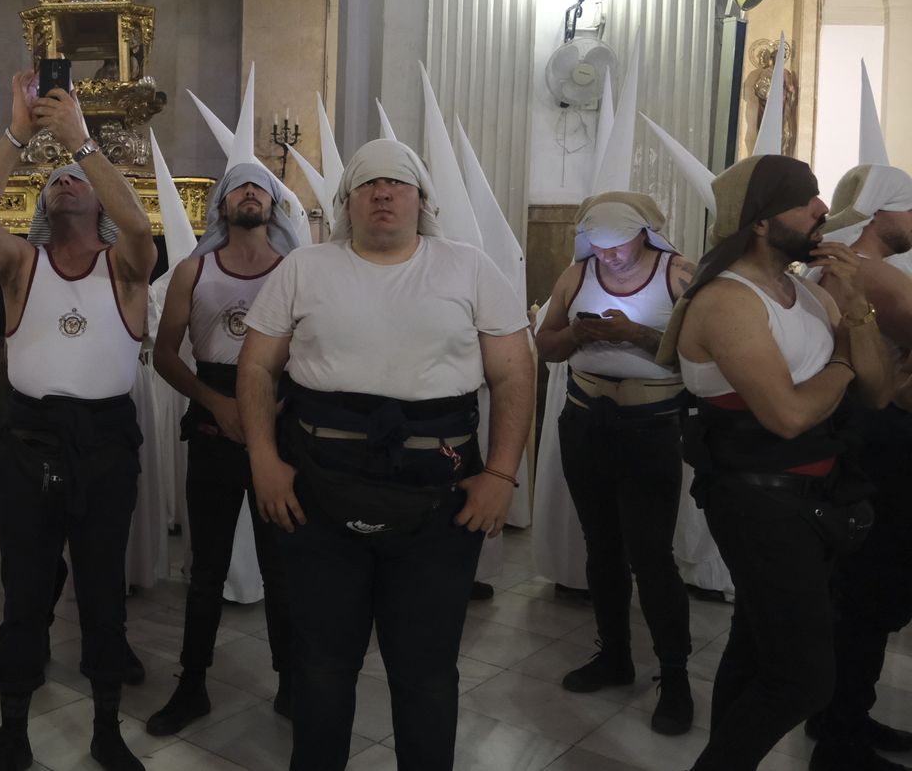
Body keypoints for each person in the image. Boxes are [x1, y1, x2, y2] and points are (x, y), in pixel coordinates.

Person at [238, 138, 533, 770]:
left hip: (438, 498)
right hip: (318, 492)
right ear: (348, 201)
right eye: (369, 184)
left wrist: (502, 474)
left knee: (426, 672)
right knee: (320, 665)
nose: (383, 194)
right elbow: (258, 367)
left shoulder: (470, 267)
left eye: (397, 184)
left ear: (421, 199)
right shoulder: (305, 268)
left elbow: (513, 375)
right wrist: (263, 457)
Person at [663, 154, 891, 771]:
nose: (823, 211)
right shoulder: (728, 302)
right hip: (759, 502)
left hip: (809, 497)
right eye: (807, 199)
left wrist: (855, 302)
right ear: (760, 222)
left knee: (756, 650)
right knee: (803, 679)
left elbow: (877, 389)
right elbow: (788, 415)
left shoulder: (805, 293)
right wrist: (842, 362)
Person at [0, 70, 157, 771]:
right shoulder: (22, 265)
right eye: (57, 180)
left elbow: (138, 225)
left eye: (76, 179)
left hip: (104, 442)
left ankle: (106, 727)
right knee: (24, 587)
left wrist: (82, 145)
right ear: (41, 205)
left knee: (103, 588)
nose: (66, 183)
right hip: (29, 440)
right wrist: (19, 133)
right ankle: (13, 730)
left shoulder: (125, 267)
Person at [145, 161, 301, 736]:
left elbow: (309, 353)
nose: (251, 194)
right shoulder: (194, 270)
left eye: (260, 186)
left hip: (280, 434)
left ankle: (290, 683)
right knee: (206, 568)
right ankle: (192, 685)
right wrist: (216, 404)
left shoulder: (293, 271)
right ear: (222, 206)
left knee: (281, 569)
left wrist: (269, 413)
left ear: (274, 204)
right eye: (239, 187)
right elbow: (166, 354)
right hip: (214, 428)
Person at [533, 192, 696, 735]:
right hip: (587, 420)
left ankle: (674, 677)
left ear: (644, 235)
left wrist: (640, 336)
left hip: (651, 427)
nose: (612, 258)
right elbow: (546, 347)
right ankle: (615, 655)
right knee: (600, 545)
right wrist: (577, 333)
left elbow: (706, 352)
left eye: (620, 247)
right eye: (600, 249)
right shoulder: (577, 275)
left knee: (651, 555)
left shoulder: (677, 274)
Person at [806, 163, 912, 771]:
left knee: (852, 591)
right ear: (882, 214)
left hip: (851, 436)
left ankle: (839, 713)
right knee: (874, 589)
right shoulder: (872, 274)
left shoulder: (835, 260)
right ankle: (842, 733)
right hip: (881, 438)